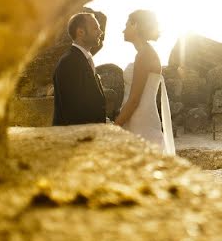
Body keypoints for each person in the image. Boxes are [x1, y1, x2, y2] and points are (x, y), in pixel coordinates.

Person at [115, 10, 175, 155]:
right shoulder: (144, 53)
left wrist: (115, 126)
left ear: (135, 25)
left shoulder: (144, 55)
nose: (123, 29)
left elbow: (135, 99)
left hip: (140, 121)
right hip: (139, 117)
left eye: (127, 25)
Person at [52, 12, 107, 125]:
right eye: (95, 28)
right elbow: (72, 112)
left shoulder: (83, 59)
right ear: (80, 32)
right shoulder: (69, 63)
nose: (101, 32)